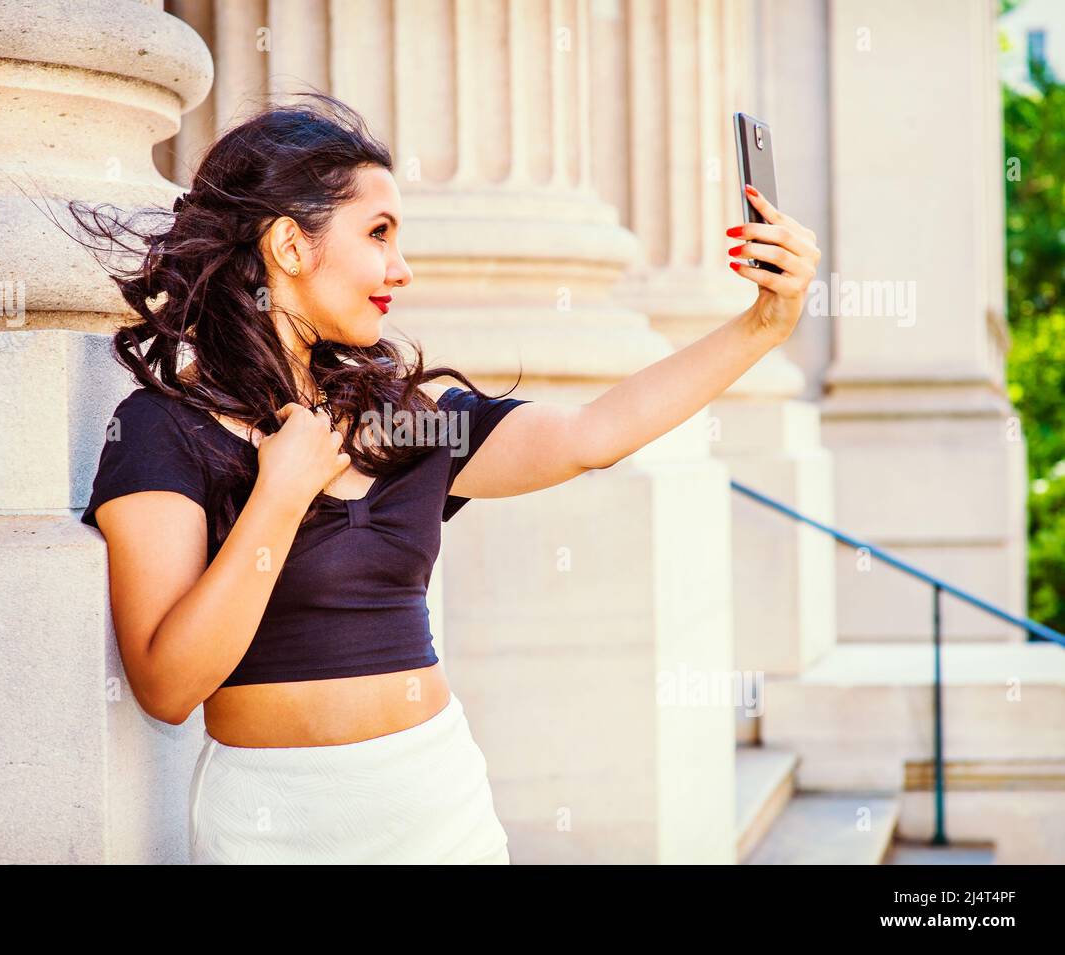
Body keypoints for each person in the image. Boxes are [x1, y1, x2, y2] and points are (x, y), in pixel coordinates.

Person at [73, 92, 820, 864]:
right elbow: (167, 685)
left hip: (440, 812)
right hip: (273, 826)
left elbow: (592, 434)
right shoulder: (162, 431)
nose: (401, 268)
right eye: (379, 234)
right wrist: (279, 495)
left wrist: (763, 325)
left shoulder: (406, 420)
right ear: (291, 247)